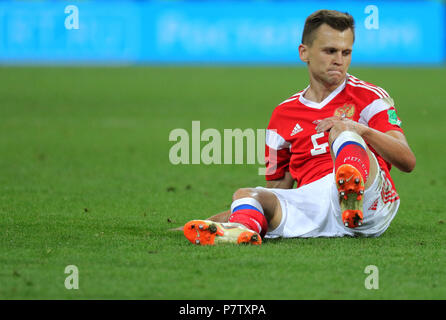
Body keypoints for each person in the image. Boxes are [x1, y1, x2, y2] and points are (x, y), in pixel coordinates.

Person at [181, 9, 416, 245]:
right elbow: (277, 188)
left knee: (343, 131)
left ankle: (351, 195)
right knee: (247, 195)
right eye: (330, 51)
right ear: (304, 52)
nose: (339, 60)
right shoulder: (283, 115)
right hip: (314, 206)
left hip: (370, 204)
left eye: (346, 52)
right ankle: (237, 229)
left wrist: (361, 130)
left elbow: (407, 161)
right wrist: (223, 216)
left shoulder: (369, 97)